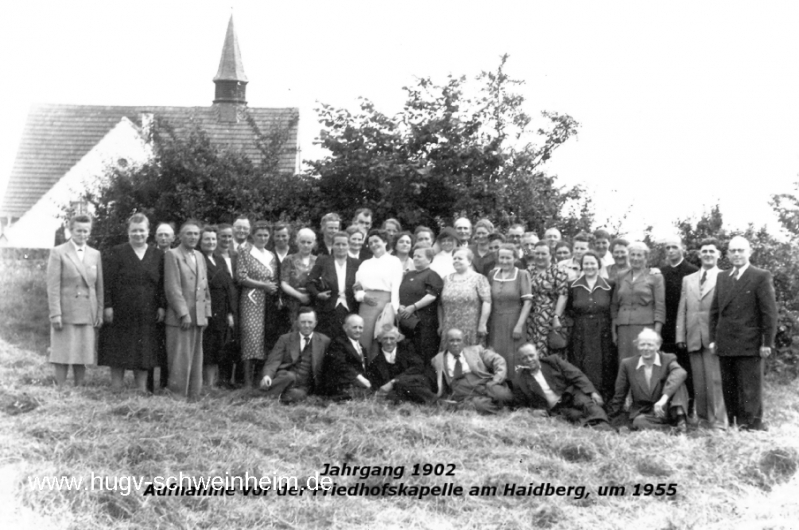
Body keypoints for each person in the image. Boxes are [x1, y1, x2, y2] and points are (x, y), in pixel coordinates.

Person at [709, 236, 777, 431]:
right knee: (729, 387)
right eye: (733, 251)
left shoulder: (760, 276)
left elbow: (769, 313)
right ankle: (734, 424)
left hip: (750, 343)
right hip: (726, 341)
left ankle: (752, 426)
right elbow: (715, 311)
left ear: (749, 252)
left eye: (740, 250)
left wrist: (767, 343)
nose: (737, 254)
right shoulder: (723, 277)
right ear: (728, 254)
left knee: (749, 388)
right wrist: (713, 339)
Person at [99, 213, 165, 393]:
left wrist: (161, 305)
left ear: (148, 232)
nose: (138, 234)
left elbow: (161, 284)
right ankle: (116, 387)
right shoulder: (117, 252)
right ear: (128, 232)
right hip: (121, 309)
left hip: (147, 310)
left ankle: (141, 389)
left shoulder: (157, 255)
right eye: (134, 231)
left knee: (143, 349)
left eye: (141, 231)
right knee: (117, 348)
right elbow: (107, 282)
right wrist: (108, 305)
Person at [47, 214, 104, 387]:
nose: (82, 234)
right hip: (66, 311)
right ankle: (61, 388)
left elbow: (99, 286)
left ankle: (80, 388)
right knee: (63, 351)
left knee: (83, 350)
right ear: (70, 231)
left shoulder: (95, 254)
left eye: (86, 231)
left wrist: (99, 311)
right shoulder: (58, 252)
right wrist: (55, 313)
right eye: (79, 230)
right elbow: (53, 286)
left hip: (88, 310)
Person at [676, 238, 727, 429]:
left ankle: (719, 422)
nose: (707, 254)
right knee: (699, 381)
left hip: (714, 337)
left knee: (715, 380)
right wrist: (680, 336)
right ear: (699, 255)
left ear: (718, 255)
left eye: (712, 251)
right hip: (693, 336)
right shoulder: (688, 279)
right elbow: (683, 309)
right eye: (704, 251)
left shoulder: (724, 277)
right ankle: (704, 419)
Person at [164, 219, 211, 399]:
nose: (193, 237)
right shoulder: (173, 255)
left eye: (196, 234)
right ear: (180, 237)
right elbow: (172, 288)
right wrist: (183, 313)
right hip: (180, 318)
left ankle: (193, 396)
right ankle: (177, 396)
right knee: (180, 359)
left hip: (198, 316)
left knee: (196, 358)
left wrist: (206, 313)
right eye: (189, 233)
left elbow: (204, 287)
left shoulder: (199, 256)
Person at [512, 343, 611, 428]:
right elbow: (519, 406)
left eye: (531, 355)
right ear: (519, 360)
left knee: (588, 405)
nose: (529, 359)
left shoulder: (553, 361)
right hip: (557, 409)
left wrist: (592, 392)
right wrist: (532, 412)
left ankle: (607, 429)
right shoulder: (520, 381)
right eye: (524, 358)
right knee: (576, 416)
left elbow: (576, 375)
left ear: (538, 353)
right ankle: (596, 429)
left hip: (570, 395)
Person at [609, 328, 689, 432]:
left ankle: (680, 420)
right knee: (639, 422)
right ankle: (672, 430)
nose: (646, 348)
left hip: (666, 409)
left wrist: (663, 399)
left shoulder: (667, 358)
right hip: (644, 413)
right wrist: (611, 418)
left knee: (678, 381)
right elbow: (619, 394)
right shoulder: (628, 364)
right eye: (642, 344)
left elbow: (681, 372)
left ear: (658, 346)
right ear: (637, 346)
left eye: (650, 345)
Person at [566, 251, 615, 401]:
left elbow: (613, 307)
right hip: (581, 329)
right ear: (581, 266)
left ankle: (605, 400)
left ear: (599, 265)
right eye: (586, 263)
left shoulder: (609, 285)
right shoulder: (573, 285)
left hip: (603, 329)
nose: (589, 266)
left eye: (592, 263)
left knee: (604, 363)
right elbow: (568, 309)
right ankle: (583, 398)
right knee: (581, 361)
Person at [236, 221, 279, 388]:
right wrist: (263, 285)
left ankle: (259, 380)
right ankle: (247, 382)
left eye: (266, 235)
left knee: (264, 339)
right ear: (252, 236)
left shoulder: (271, 255)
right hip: (251, 299)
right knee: (251, 338)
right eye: (259, 235)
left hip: (268, 300)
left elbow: (273, 278)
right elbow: (241, 277)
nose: (262, 238)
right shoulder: (245, 252)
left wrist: (270, 287)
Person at [431, 329, 513, 414]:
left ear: (464, 341)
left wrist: (497, 379)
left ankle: (494, 404)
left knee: (504, 396)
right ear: (445, 342)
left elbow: (498, 360)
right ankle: (498, 409)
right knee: (480, 406)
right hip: (463, 390)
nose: (455, 344)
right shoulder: (438, 359)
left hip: (484, 383)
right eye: (451, 340)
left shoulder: (476, 350)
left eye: (458, 340)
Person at [659, 236, 699, 411]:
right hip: (665, 328)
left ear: (683, 248)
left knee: (685, 369)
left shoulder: (692, 271)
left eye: (674, 247)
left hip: (684, 328)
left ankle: (687, 408)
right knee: (667, 368)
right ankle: (668, 407)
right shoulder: (661, 272)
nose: (670, 251)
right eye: (667, 247)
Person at [259, 307, 331, 402]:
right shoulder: (285, 339)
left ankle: (272, 395)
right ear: (297, 322)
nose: (306, 325)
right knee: (289, 376)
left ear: (315, 323)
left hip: (304, 384)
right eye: (303, 322)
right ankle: (264, 395)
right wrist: (267, 376)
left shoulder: (324, 341)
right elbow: (273, 361)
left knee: (298, 394)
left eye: (310, 322)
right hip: (286, 378)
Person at [611, 241, 665, 361]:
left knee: (644, 361)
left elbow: (660, 306)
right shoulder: (621, 276)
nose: (635, 258)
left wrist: (656, 333)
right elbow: (614, 305)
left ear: (646, 258)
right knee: (625, 362)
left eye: (639, 255)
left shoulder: (655, 277)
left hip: (645, 327)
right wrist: (613, 330)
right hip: (623, 328)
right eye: (632, 255)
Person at [354, 229, 403, 358]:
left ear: (385, 242)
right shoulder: (365, 264)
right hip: (366, 305)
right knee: (365, 338)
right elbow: (356, 287)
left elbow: (396, 287)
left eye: (377, 241)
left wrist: (394, 308)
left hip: (386, 305)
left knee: (383, 338)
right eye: (370, 243)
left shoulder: (394, 261)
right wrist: (362, 296)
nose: (374, 245)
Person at [199, 225, 237, 388]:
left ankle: (213, 383)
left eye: (213, 239)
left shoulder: (220, 259)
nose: (211, 242)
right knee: (207, 347)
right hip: (207, 309)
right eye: (207, 239)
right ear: (201, 241)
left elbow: (228, 285)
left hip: (222, 310)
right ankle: (204, 384)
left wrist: (230, 312)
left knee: (218, 347)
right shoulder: (199, 258)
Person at [487, 244, 532, 374]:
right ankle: (499, 384)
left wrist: (519, 325)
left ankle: (517, 387)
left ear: (515, 258)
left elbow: (527, 302)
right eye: (502, 257)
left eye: (508, 258)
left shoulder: (522, 274)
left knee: (514, 355)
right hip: (495, 322)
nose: (504, 261)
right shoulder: (492, 274)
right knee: (496, 353)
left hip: (514, 321)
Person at [306, 232, 359, 340]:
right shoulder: (323, 261)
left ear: (348, 245)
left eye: (344, 244)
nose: (341, 247)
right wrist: (318, 294)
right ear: (332, 245)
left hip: (350, 308)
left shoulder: (356, 263)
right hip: (327, 308)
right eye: (337, 244)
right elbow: (309, 282)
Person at [367, 325, 436, 403]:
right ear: (379, 339)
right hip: (398, 391)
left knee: (404, 383)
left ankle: (437, 401)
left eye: (392, 338)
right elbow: (379, 387)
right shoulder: (375, 363)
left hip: (414, 383)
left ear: (397, 339)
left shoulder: (407, 350)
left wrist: (394, 381)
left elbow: (418, 366)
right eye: (385, 338)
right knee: (390, 396)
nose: (388, 342)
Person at [439, 247, 492, 348]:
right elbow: (440, 305)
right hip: (449, 327)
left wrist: (482, 324)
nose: (456, 261)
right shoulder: (445, 279)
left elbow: (487, 302)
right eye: (454, 258)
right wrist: (441, 325)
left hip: (471, 328)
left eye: (460, 258)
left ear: (469, 261)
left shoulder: (479, 279)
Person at [398, 246, 443, 362]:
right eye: (414, 256)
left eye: (419, 256)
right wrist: (400, 306)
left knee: (424, 353)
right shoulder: (408, 275)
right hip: (406, 321)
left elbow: (432, 295)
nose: (416, 258)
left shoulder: (432, 275)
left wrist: (413, 307)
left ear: (429, 259)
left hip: (424, 323)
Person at [526, 241, 568, 358]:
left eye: (543, 254)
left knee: (552, 353)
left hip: (550, 318)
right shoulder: (528, 272)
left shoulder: (558, 271)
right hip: (532, 319)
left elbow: (563, 295)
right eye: (537, 253)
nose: (540, 257)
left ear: (551, 255)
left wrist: (556, 317)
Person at [321, 314, 371, 399]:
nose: (358, 330)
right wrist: (360, 378)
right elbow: (341, 365)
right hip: (341, 383)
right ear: (345, 328)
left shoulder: (362, 347)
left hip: (354, 382)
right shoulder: (338, 343)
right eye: (354, 327)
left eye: (360, 327)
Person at [280, 228, 318, 326]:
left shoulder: (318, 261)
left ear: (313, 244)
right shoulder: (289, 260)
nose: (306, 245)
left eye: (309, 242)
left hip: (313, 302)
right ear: (297, 242)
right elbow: (284, 283)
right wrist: (299, 296)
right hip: (293, 302)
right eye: (303, 242)